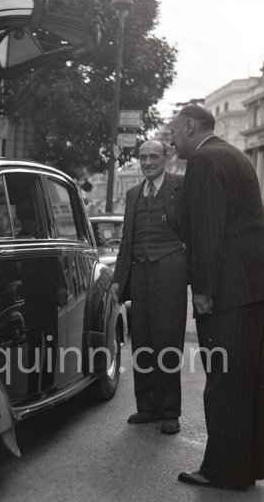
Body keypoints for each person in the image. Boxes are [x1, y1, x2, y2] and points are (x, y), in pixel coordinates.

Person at [170, 104, 264, 491]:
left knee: (223, 383)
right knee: (246, 383)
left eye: (175, 132)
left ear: (190, 125)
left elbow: (209, 231)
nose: (173, 140)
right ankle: (245, 467)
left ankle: (222, 471)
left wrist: (203, 292)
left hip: (225, 293)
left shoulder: (204, 160)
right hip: (251, 289)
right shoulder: (235, 155)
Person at [111, 140, 187, 435]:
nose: (147, 162)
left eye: (154, 156)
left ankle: (170, 412)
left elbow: (193, 230)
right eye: (143, 157)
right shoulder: (132, 194)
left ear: (166, 157)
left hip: (170, 270)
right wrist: (119, 283)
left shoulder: (181, 186)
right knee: (141, 338)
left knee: (167, 340)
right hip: (139, 272)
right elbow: (126, 242)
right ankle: (148, 407)